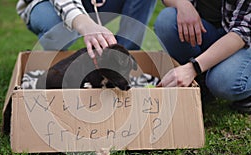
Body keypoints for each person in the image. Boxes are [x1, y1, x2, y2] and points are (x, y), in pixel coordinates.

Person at [154, 0, 250, 112]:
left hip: (244, 41)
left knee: (222, 81)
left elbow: (241, 33)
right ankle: (201, 84)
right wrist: (183, 5)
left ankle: (247, 88)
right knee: (166, 21)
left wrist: (193, 68)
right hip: (211, 30)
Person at [16, 0, 157, 58]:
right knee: (59, 29)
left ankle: (122, 59)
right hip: (48, 3)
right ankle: (52, 62)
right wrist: (85, 24)